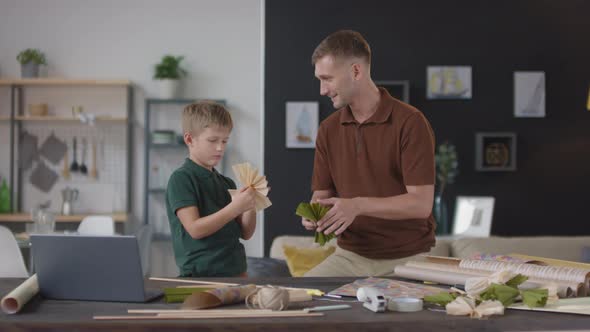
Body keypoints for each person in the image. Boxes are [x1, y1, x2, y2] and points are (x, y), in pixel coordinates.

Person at [302, 30, 436, 277]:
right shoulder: (328, 129)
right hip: (349, 257)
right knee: (297, 298)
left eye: (327, 79)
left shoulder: (411, 122)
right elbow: (321, 195)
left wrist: (357, 206)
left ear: (356, 71)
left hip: (409, 258)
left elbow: (421, 205)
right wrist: (315, 214)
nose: (322, 90)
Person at [166, 101, 256, 277]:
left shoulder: (227, 183)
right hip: (200, 277)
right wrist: (236, 207)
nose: (220, 147)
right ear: (189, 139)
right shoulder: (181, 179)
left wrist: (251, 204)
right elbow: (195, 229)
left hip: (237, 272)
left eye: (224, 141)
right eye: (212, 140)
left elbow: (246, 233)